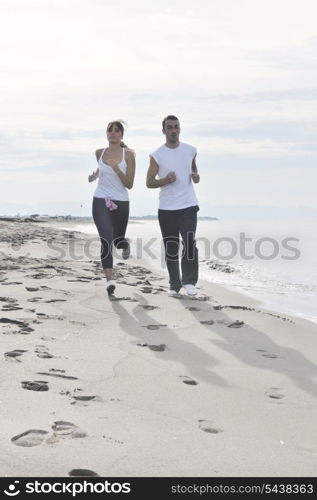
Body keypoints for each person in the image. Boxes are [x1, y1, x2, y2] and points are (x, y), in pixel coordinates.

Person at [146, 115, 200, 296]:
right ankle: (174, 285)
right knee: (171, 247)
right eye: (169, 127)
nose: (173, 130)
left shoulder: (191, 150)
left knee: (190, 242)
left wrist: (196, 177)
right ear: (163, 131)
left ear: (180, 129)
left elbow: (194, 171)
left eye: (176, 127)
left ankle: (189, 281)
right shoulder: (156, 155)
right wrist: (165, 180)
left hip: (188, 205)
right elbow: (149, 182)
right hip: (167, 208)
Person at [88, 120, 135, 294]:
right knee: (106, 240)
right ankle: (109, 281)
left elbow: (129, 183)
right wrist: (95, 175)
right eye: (110, 130)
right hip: (100, 199)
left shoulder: (129, 155)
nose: (113, 133)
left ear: (122, 135)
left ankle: (125, 243)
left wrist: (117, 169)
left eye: (116, 131)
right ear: (106, 134)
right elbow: (102, 168)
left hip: (121, 201)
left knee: (118, 240)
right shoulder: (99, 152)